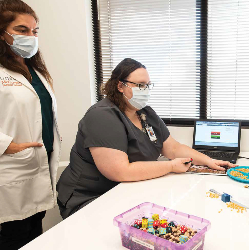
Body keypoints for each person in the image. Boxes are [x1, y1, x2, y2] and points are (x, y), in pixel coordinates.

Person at [56, 58, 236, 219]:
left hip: (125, 191)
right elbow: (120, 171)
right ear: (120, 86)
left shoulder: (145, 112)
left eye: (148, 85)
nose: (145, 90)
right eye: (140, 85)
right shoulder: (102, 116)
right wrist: (170, 166)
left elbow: (172, 148)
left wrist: (209, 161)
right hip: (90, 197)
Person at [0, 0, 61, 249]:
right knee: (13, 238)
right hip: (11, 171)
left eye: (35, 31)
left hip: (39, 167)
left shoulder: (34, 70)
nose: (31, 36)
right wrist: (7, 145)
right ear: (2, 32)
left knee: (35, 235)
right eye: (22, 30)